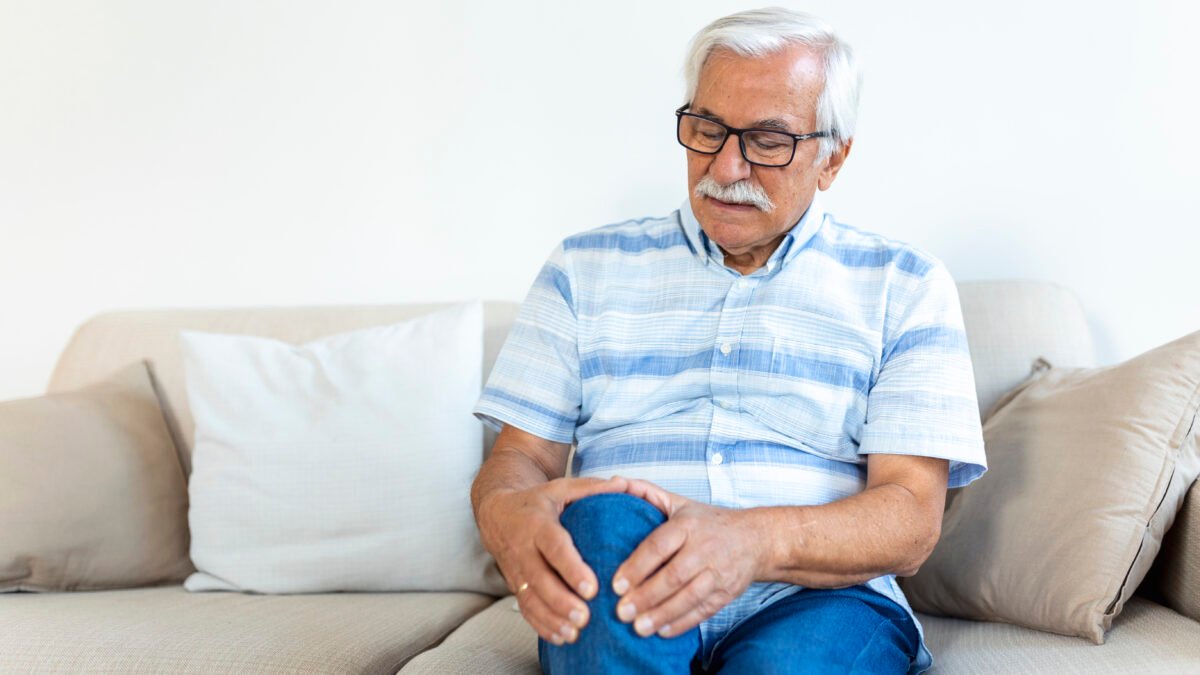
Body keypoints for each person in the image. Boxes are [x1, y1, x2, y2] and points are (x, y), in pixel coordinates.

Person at [470, 7, 987, 674]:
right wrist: (506, 513)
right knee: (599, 519)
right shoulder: (582, 268)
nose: (726, 164)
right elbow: (518, 460)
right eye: (707, 129)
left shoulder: (906, 285)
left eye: (768, 140)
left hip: (820, 598)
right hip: (625, 566)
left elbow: (912, 519)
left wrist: (753, 540)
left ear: (834, 156)